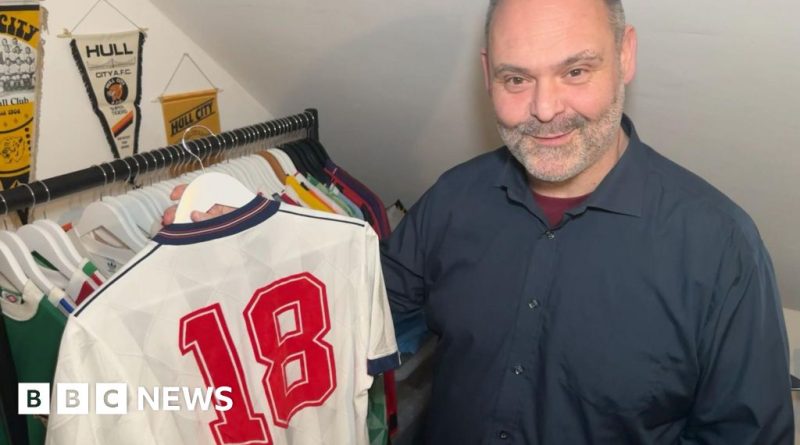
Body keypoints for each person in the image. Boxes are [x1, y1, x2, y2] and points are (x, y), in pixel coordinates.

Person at [163, 0, 793, 443]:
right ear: (488, 72)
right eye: (517, 79)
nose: (545, 110)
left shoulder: (721, 248)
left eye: (576, 71)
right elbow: (352, 310)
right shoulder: (455, 199)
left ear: (624, 56)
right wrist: (252, 248)